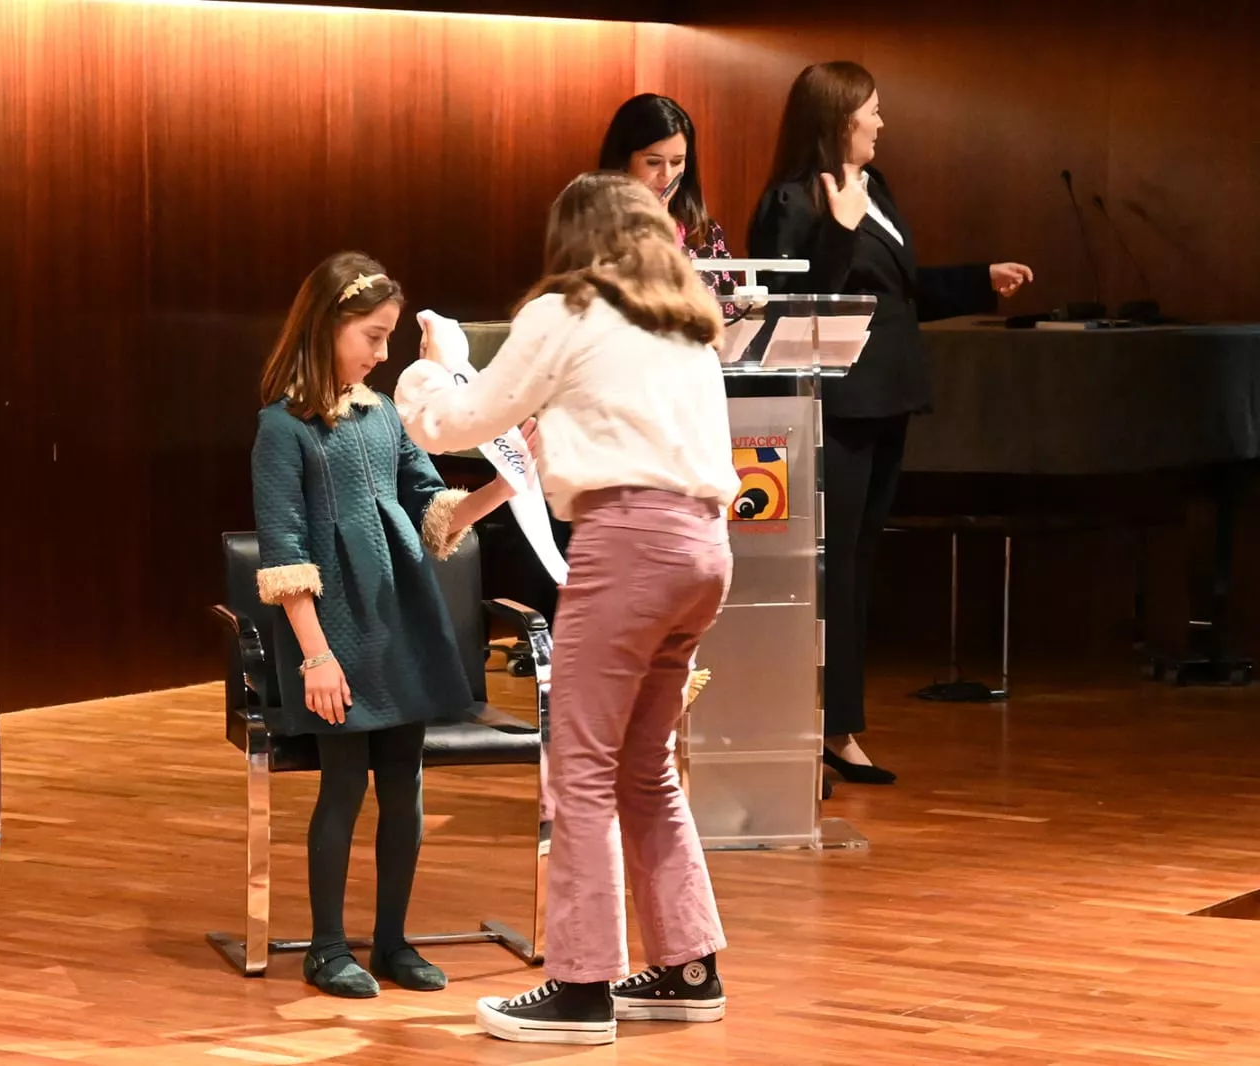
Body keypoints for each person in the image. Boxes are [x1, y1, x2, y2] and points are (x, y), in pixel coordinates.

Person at [396, 172, 737, 1045]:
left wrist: (431, 369)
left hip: (628, 545)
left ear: (572, 241)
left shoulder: (567, 311)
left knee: (579, 765)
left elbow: (458, 423)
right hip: (705, 550)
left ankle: (581, 986)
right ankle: (688, 966)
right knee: (645, 765)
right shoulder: (689, 328)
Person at [748, 61, 1032, 788]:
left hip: (887, 399)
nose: (881, 122)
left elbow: (897, 291)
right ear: (839, 117)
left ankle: (838, 725)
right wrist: (837, 231)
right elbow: (791, 302)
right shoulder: (791, 199)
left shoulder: (876, 187)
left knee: (858, 564)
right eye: (871, 110)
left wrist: (978, 280)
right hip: (833, 408)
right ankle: (820, 724)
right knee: (828, 567)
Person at [251, 251, 521, 998]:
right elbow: (285, 552)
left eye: (389, 337)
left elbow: (436, 514)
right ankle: (327, 947)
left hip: (399, 621)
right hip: (335, 635)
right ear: (327, 325)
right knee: (343, 786)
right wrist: (316, 657)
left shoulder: (381, 419)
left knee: (405, 786)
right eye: (372, 336)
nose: (382, 353)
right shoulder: (283, 428)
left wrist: (505, 485)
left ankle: (394, 942)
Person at [599, 92, 733, 298]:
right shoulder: (599, 235)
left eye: (677, 161)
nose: (667, 175)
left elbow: (733, 309)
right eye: (653, 162)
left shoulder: (706, 233)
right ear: (623, 162)